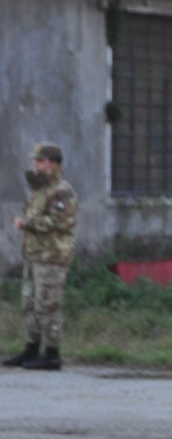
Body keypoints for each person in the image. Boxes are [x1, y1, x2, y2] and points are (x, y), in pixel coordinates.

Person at [6, 142, 77, 371]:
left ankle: (52, 354)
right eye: (35, 161)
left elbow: (60, 221)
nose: (35, 165)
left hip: (52, 256)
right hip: (34, 254)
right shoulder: (41, 190)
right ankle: (31, 347)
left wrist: (26, 223)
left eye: (40, 161)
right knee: (30, 303)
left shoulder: (62, 192)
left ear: (53, 164)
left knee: (48, 305)